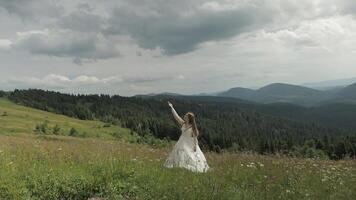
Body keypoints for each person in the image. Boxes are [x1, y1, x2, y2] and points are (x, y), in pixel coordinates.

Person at [163, 101, 209, 173]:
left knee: (189, 155)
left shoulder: (193, 127)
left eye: (186, 116)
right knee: (179, 153)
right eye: (185, 116)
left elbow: (195, 138)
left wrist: (195, 146)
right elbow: (176, 117)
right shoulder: (183, 123)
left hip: (189, 143)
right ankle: (179, 166)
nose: (184, 117)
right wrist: (172, 107)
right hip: (182, 141)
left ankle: (191, 167)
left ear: (189, 118)